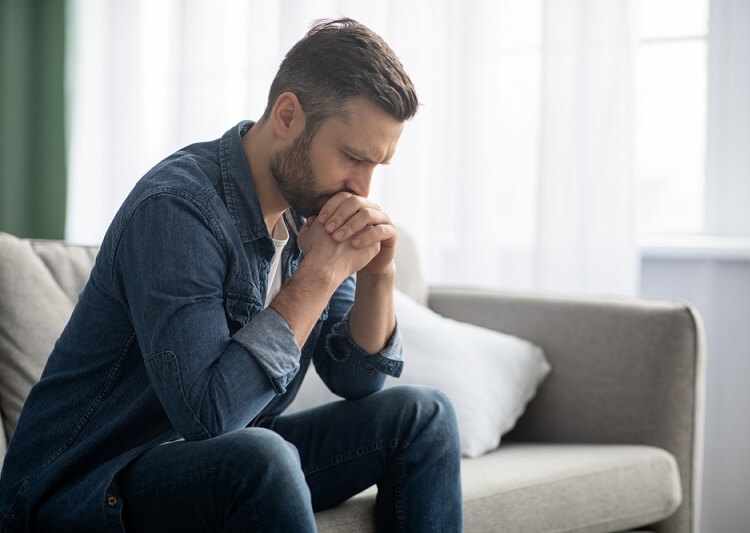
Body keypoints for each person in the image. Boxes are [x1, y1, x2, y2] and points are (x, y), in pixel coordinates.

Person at [0, 18, 462, 532]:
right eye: (352, 157)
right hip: (85, 485)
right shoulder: (177, 208)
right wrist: (319, 275)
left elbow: (356, 380)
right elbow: (209, 416)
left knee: (425, 417)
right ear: (287, 115)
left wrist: (379, 273)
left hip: (218, 459)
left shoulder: (312, 209)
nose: (362, 186)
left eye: (378, 165)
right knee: (262, 456)